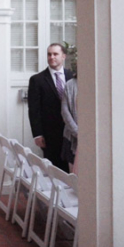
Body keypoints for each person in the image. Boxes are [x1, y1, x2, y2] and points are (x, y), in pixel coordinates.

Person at [28, 43, 72, 172]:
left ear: (63, 56)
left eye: (55, 54)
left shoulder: (72, 76)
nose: (52, 57)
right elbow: (34, 109)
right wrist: (37, 134)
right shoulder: (37, 80)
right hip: (50, 134)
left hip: (71, 132)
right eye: (49, 54)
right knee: (55, 170)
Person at [61, 64, 78, 174]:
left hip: (91, 137)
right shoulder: (70, 84)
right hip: (71, 136)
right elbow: (65, 111)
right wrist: (77, 131)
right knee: (73, 174)